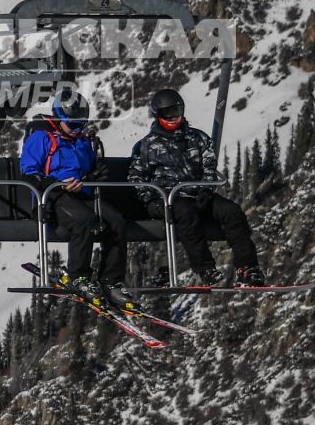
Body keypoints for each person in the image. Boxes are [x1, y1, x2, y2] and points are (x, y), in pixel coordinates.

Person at [129, 88, 265, 286]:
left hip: (199, 194)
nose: (174, 117)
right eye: (169, 113)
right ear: (159, 115)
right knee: (187, 213)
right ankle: (205, 268)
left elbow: (209, 166)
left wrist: (206, 189)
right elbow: (136, 177)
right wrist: (151, 200)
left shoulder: (197, 138)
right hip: (168, 198)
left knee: (232, 211)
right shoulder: (147, 145)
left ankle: (247, 267)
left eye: (178, 111)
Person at [19, 91, 130, 304]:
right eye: (73, 125)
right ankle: (78, 276)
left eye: (81, 125)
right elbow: (29, 171)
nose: (77, 130)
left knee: (116, 221)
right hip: (54, 196)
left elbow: (87, 169)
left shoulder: (82, 141)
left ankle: (111, 280)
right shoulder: (42, 138)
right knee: (84, 220)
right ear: (59, 118)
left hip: (82, 194)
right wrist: (54, 183)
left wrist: (92, 175)